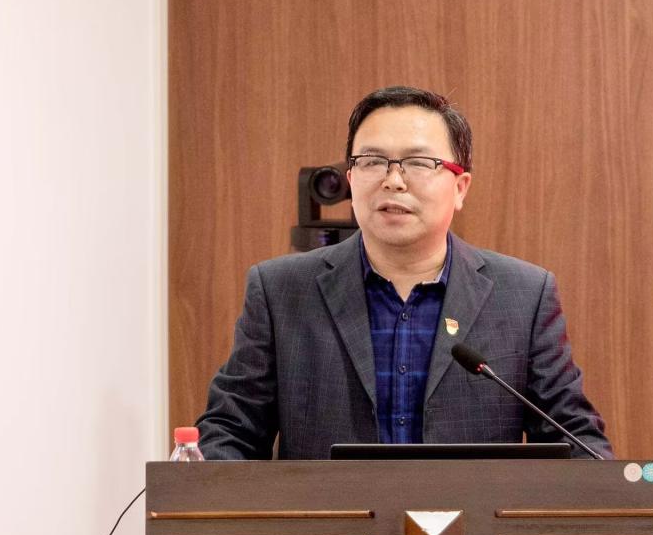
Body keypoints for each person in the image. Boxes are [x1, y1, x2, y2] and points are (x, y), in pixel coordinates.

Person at [196, 86, 613, 460]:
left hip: (472, 523)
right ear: (350, 179)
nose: (393, 181)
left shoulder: (523, 295)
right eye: (373, 161)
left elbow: (575, 441)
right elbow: (229, 432)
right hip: (329, 523)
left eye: (418, 162)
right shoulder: (281, 291)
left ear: (460, 187)